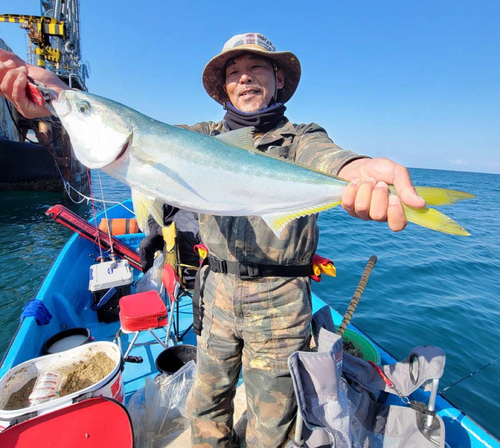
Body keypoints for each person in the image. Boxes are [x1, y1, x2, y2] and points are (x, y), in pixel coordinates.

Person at [0, 34, 426, 448]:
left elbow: (328, 157)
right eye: (234, 72)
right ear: (223, 89)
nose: (245, 77)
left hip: (280, 303)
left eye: (257, 67)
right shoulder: (198, 137)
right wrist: (57, 98)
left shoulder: (300, 138)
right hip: (216, 293)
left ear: (278, 78)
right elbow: (129, 134)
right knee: (203, 408)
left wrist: (357, 169)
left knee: (271, 423)